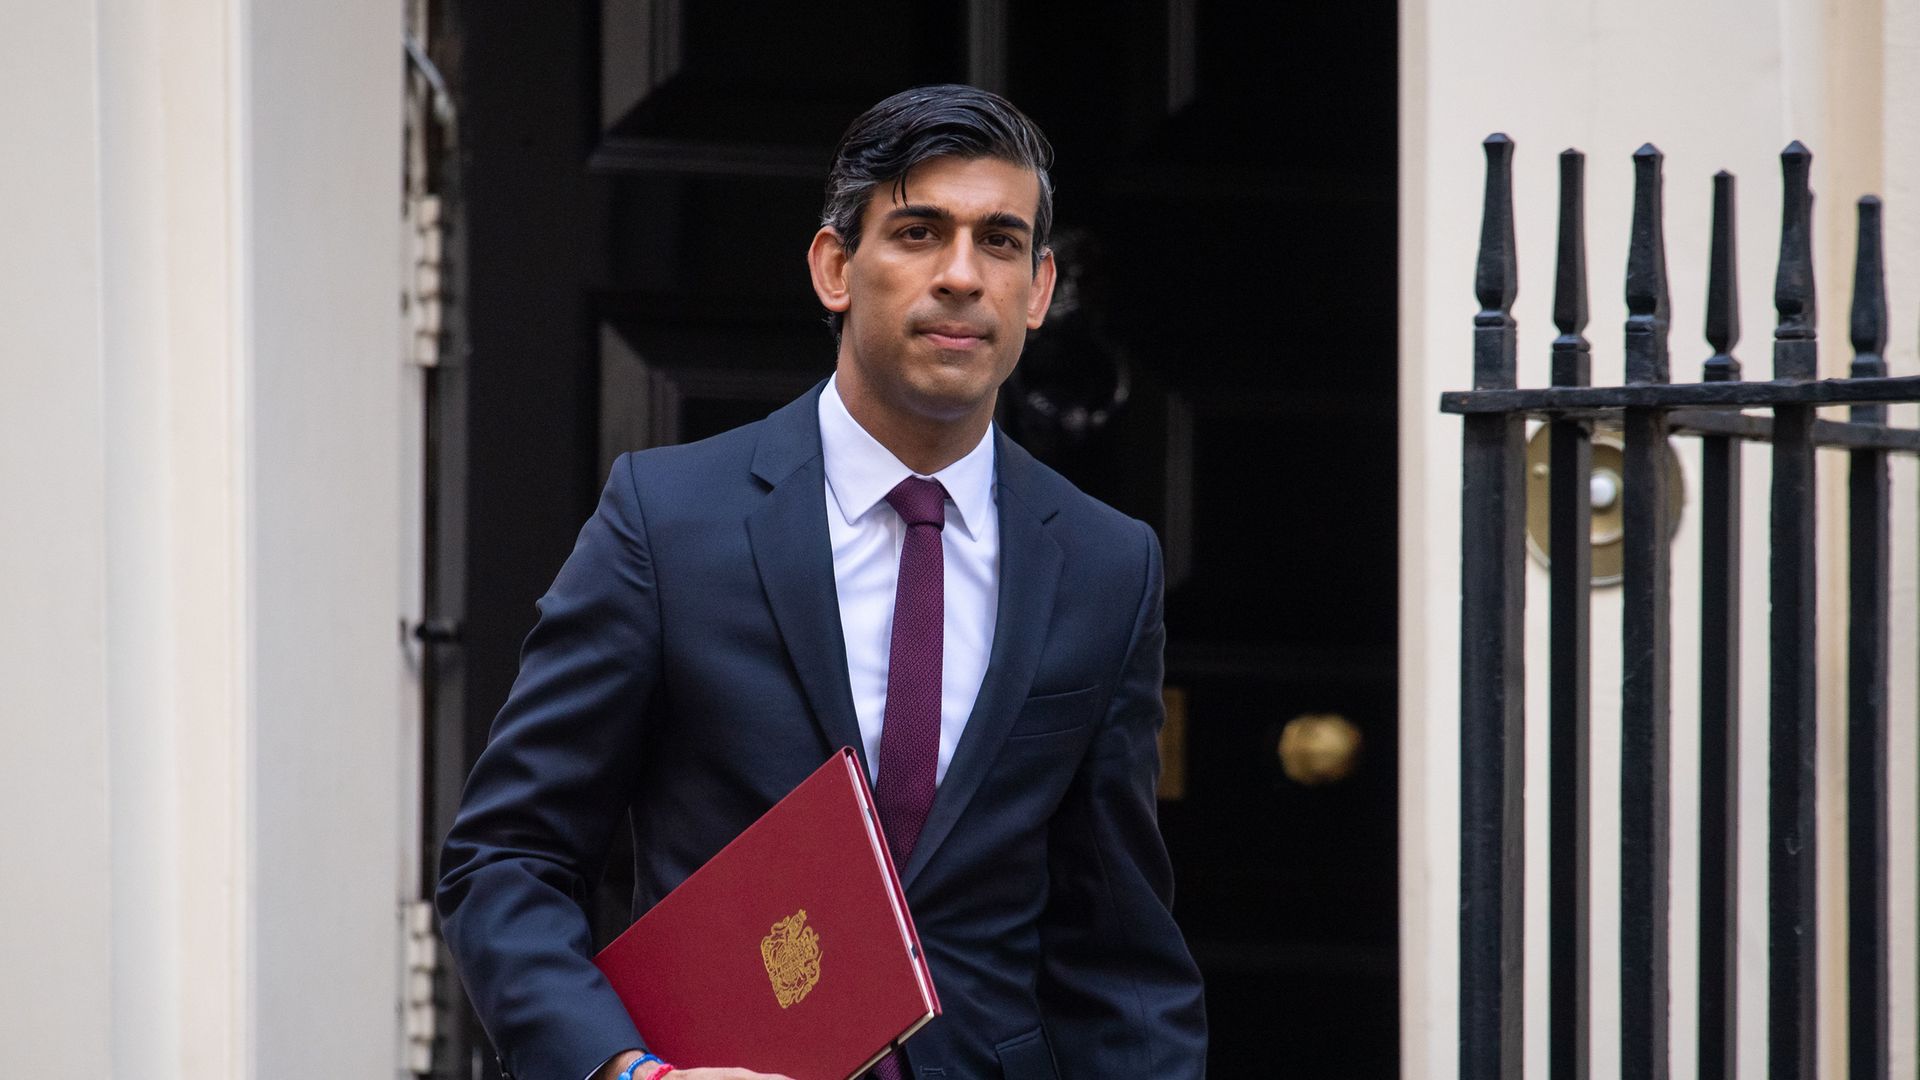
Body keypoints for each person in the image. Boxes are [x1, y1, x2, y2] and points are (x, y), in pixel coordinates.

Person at [436, 84, 1207, 1080]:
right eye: (920, 232)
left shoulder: (1108, 565)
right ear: (835, 267)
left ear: (1039, 289)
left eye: (1000, 242)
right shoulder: (668, 524)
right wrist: (626, 1072)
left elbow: (1121, 957)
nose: (962, 276)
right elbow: (508, 859)